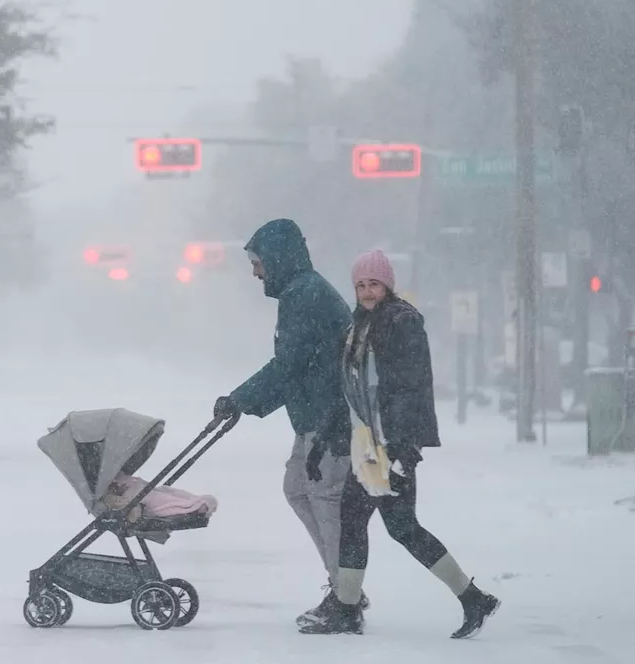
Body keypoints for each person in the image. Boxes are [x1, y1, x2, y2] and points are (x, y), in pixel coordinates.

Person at [298, 250, 500, 638]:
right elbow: (349, 393)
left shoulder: (401, 323)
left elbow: (411, 388)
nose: (367, 291)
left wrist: (405, 450)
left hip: (391, 446)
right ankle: (470, 598)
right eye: (360, 285)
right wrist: (322, 444)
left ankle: (348, 609)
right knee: (389, 525)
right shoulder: (359, 328)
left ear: (387, 285)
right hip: (370, 446)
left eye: (373, 284)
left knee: (381, 524)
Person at [212, 219, 366, 626]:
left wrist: (240, 399)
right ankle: (344, 588)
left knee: (324, 497)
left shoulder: (306, 295)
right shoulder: (301, 293)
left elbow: (289, 366)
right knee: (298, 488)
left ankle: (346, 599)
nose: (255, 271)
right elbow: (293, 369)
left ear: (277, 259)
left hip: (330, 418)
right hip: (315, 415)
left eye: (258, 262)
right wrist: (242, 403)